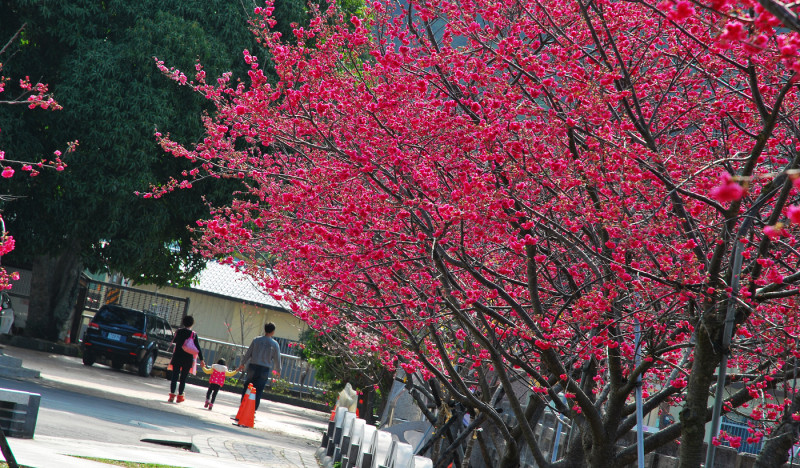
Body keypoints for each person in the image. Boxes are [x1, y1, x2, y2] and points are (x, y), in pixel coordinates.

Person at [237, 322, 282, 411]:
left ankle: (242, 408)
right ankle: (252, 411)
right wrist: (278, 370)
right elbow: (277, 358)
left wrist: (243, 363)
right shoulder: (274, 344)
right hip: (264, 369)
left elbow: (248, 353)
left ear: (265, 330)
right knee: (258, 390)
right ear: (273, 331)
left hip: (253, 366)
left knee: (247, 387)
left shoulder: (256, 340)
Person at [168, 315, 204, 403]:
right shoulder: (193, 334)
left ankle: (172, 396)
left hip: (177, 356)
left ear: (183, 322)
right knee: (183, 378)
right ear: (192, 324)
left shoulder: (179, 331)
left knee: (174, 377)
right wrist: (202, 359)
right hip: (187, 358)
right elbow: (197, 347)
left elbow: (175, 341)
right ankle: (180, 397)